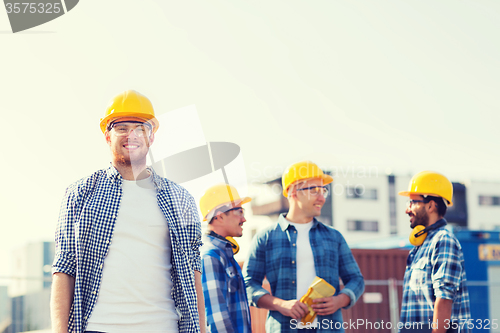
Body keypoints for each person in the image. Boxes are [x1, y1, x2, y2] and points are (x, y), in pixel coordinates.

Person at [50, 90, 205, 333]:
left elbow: (193, 273)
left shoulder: (180, 199)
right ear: (107, 136)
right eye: (121, 127)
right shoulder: (80, 193)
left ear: (151, 137)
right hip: (98, 327)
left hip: (163, 327)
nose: (131, 135)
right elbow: (64, 267)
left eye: (141, 128)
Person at [243, 161, 364, 333]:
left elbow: (356, 279)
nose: (322, 197)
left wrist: (340, 300)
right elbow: (248, 284)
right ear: (293, 192)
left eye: (323, 191)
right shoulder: (265, 238)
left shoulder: (334, 237)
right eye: (314, 190)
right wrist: (280, 304)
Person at [398, 171, 471, 333]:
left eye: (412, 202)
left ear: (430, 206)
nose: (407, 210)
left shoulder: (443, 241)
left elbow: (444, 299)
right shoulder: (420, 246)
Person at [199, 184, 252, 333]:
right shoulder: (211, 257)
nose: (244, 219)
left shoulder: (224, 254)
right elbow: (217, 319)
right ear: (219, 216)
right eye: (239, 211)